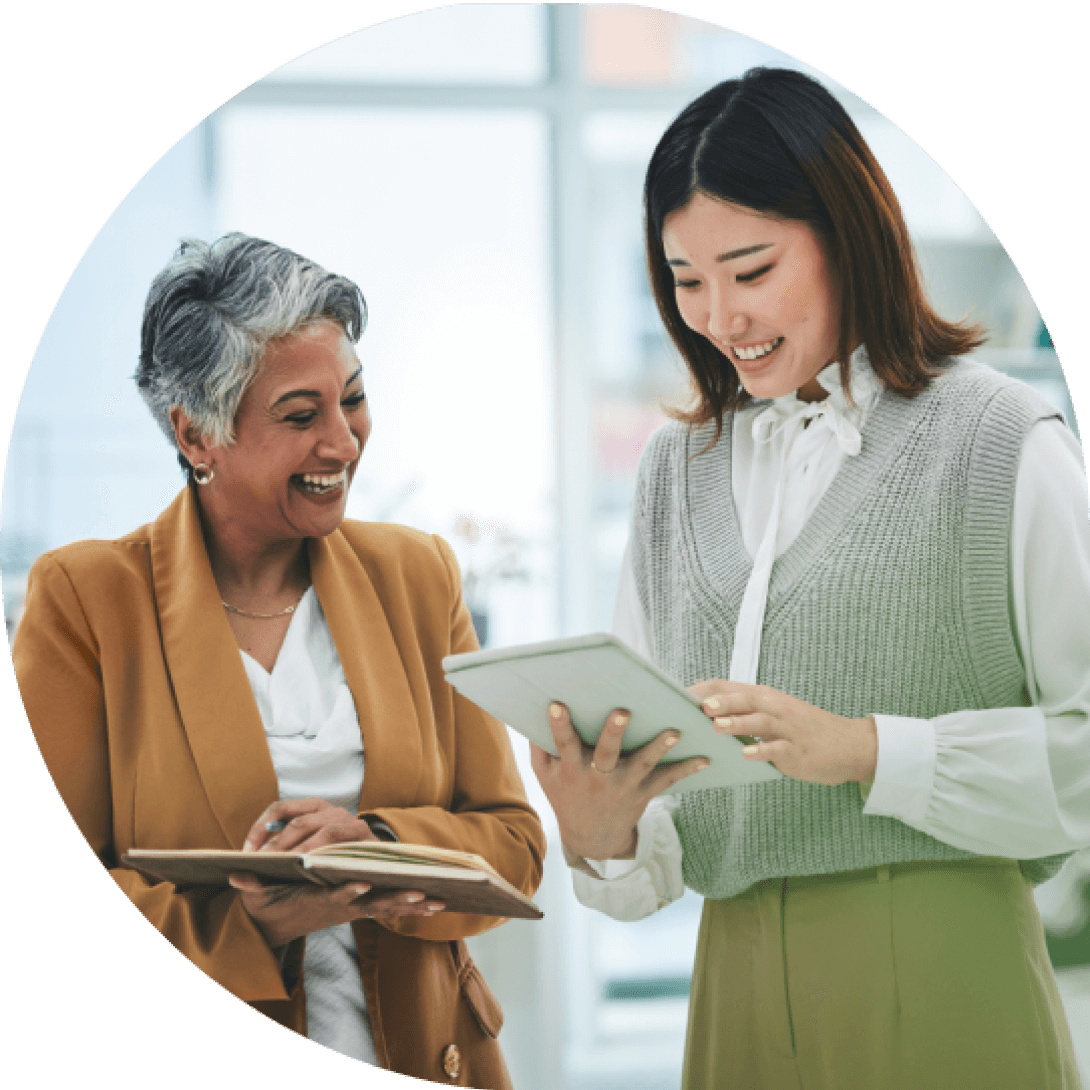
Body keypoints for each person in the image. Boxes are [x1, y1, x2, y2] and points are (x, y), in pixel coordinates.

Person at [531, 67, 1089, 1089]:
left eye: (750, 269)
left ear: (846, 235)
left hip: (943, 965)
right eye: (685, 279)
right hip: (732, 985)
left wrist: (871, 751)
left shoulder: (1000, 439)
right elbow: (663, 810)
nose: (717, 314)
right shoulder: (671, 472)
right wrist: (603, 830)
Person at [14, 233, 546, 1086]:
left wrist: (377, 844)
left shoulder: (418, 575)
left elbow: (513, 844)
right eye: (301, 416)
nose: (343, 442)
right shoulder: (87, 601)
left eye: (355, 399)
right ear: (196, 433)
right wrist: (256, 924)